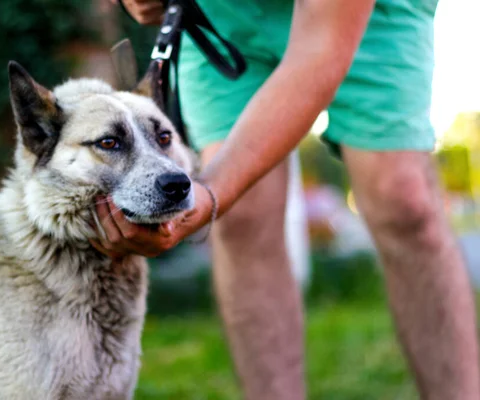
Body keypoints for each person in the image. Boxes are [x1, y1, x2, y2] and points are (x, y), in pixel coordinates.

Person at [93, 0, 480, 398]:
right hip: (221, 14)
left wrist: (211, 194)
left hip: (365, 14)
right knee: (243, 215)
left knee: (402, 198)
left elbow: (318, 52)